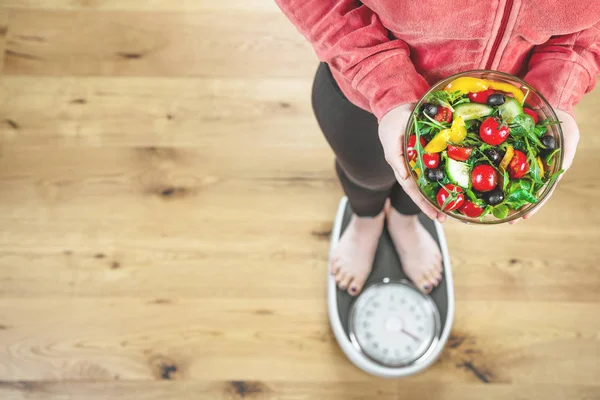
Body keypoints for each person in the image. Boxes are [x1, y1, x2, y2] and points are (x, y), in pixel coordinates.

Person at [275, 0, 600, 295]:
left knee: (427, 188)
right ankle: (365, 220)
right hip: (364, 91)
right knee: (365, 176)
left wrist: (562, 82)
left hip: (510, 107)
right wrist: (381, 77)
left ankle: (405, 220)